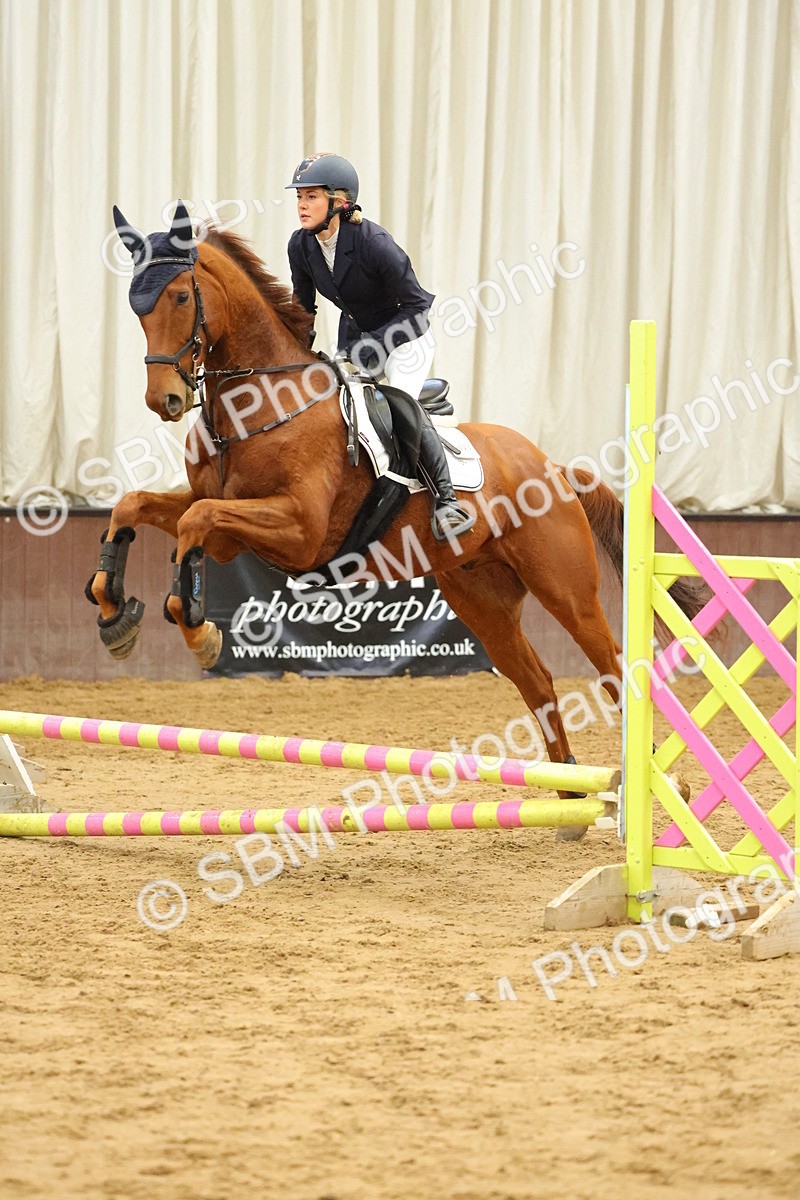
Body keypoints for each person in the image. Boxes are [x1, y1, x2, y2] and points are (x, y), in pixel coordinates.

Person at [286, 152, 475, 540]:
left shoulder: (373, 243)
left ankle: (446, 500)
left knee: (397, 405)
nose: (302, 205)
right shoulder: (301, 246)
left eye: (311, 197)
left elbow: (418, 305)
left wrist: (381, 343)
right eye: (299, 197)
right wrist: (294, 353)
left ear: (340, 202)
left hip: (406, 335)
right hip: (355, 337)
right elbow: (303, 308)